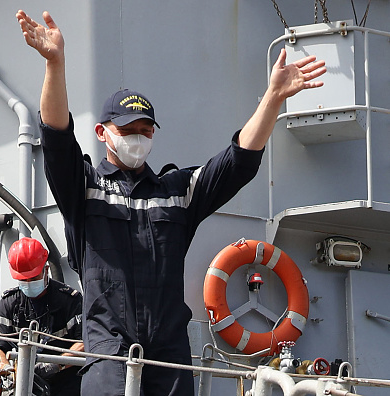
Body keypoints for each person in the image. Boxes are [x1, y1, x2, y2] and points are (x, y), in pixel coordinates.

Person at [16, 9, 326, 396]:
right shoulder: (84, 187)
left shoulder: (177, 191)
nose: (139, 138)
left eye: (146, 130)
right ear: (102, 133)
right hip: (108, 350)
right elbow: (57, 139)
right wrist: (55, 64)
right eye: (128, 130)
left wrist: (273, 98)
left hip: (169, 354)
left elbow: (237, 163)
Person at [0, 237, 83, 396]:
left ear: (46, 270)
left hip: (66, 385)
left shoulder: (69, 301)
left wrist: (55, 364)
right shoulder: (9, 303)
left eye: (33, 278)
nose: (28, 283)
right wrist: (6, 368)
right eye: (23, 280)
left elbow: (85, 343)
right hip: (24, 386)